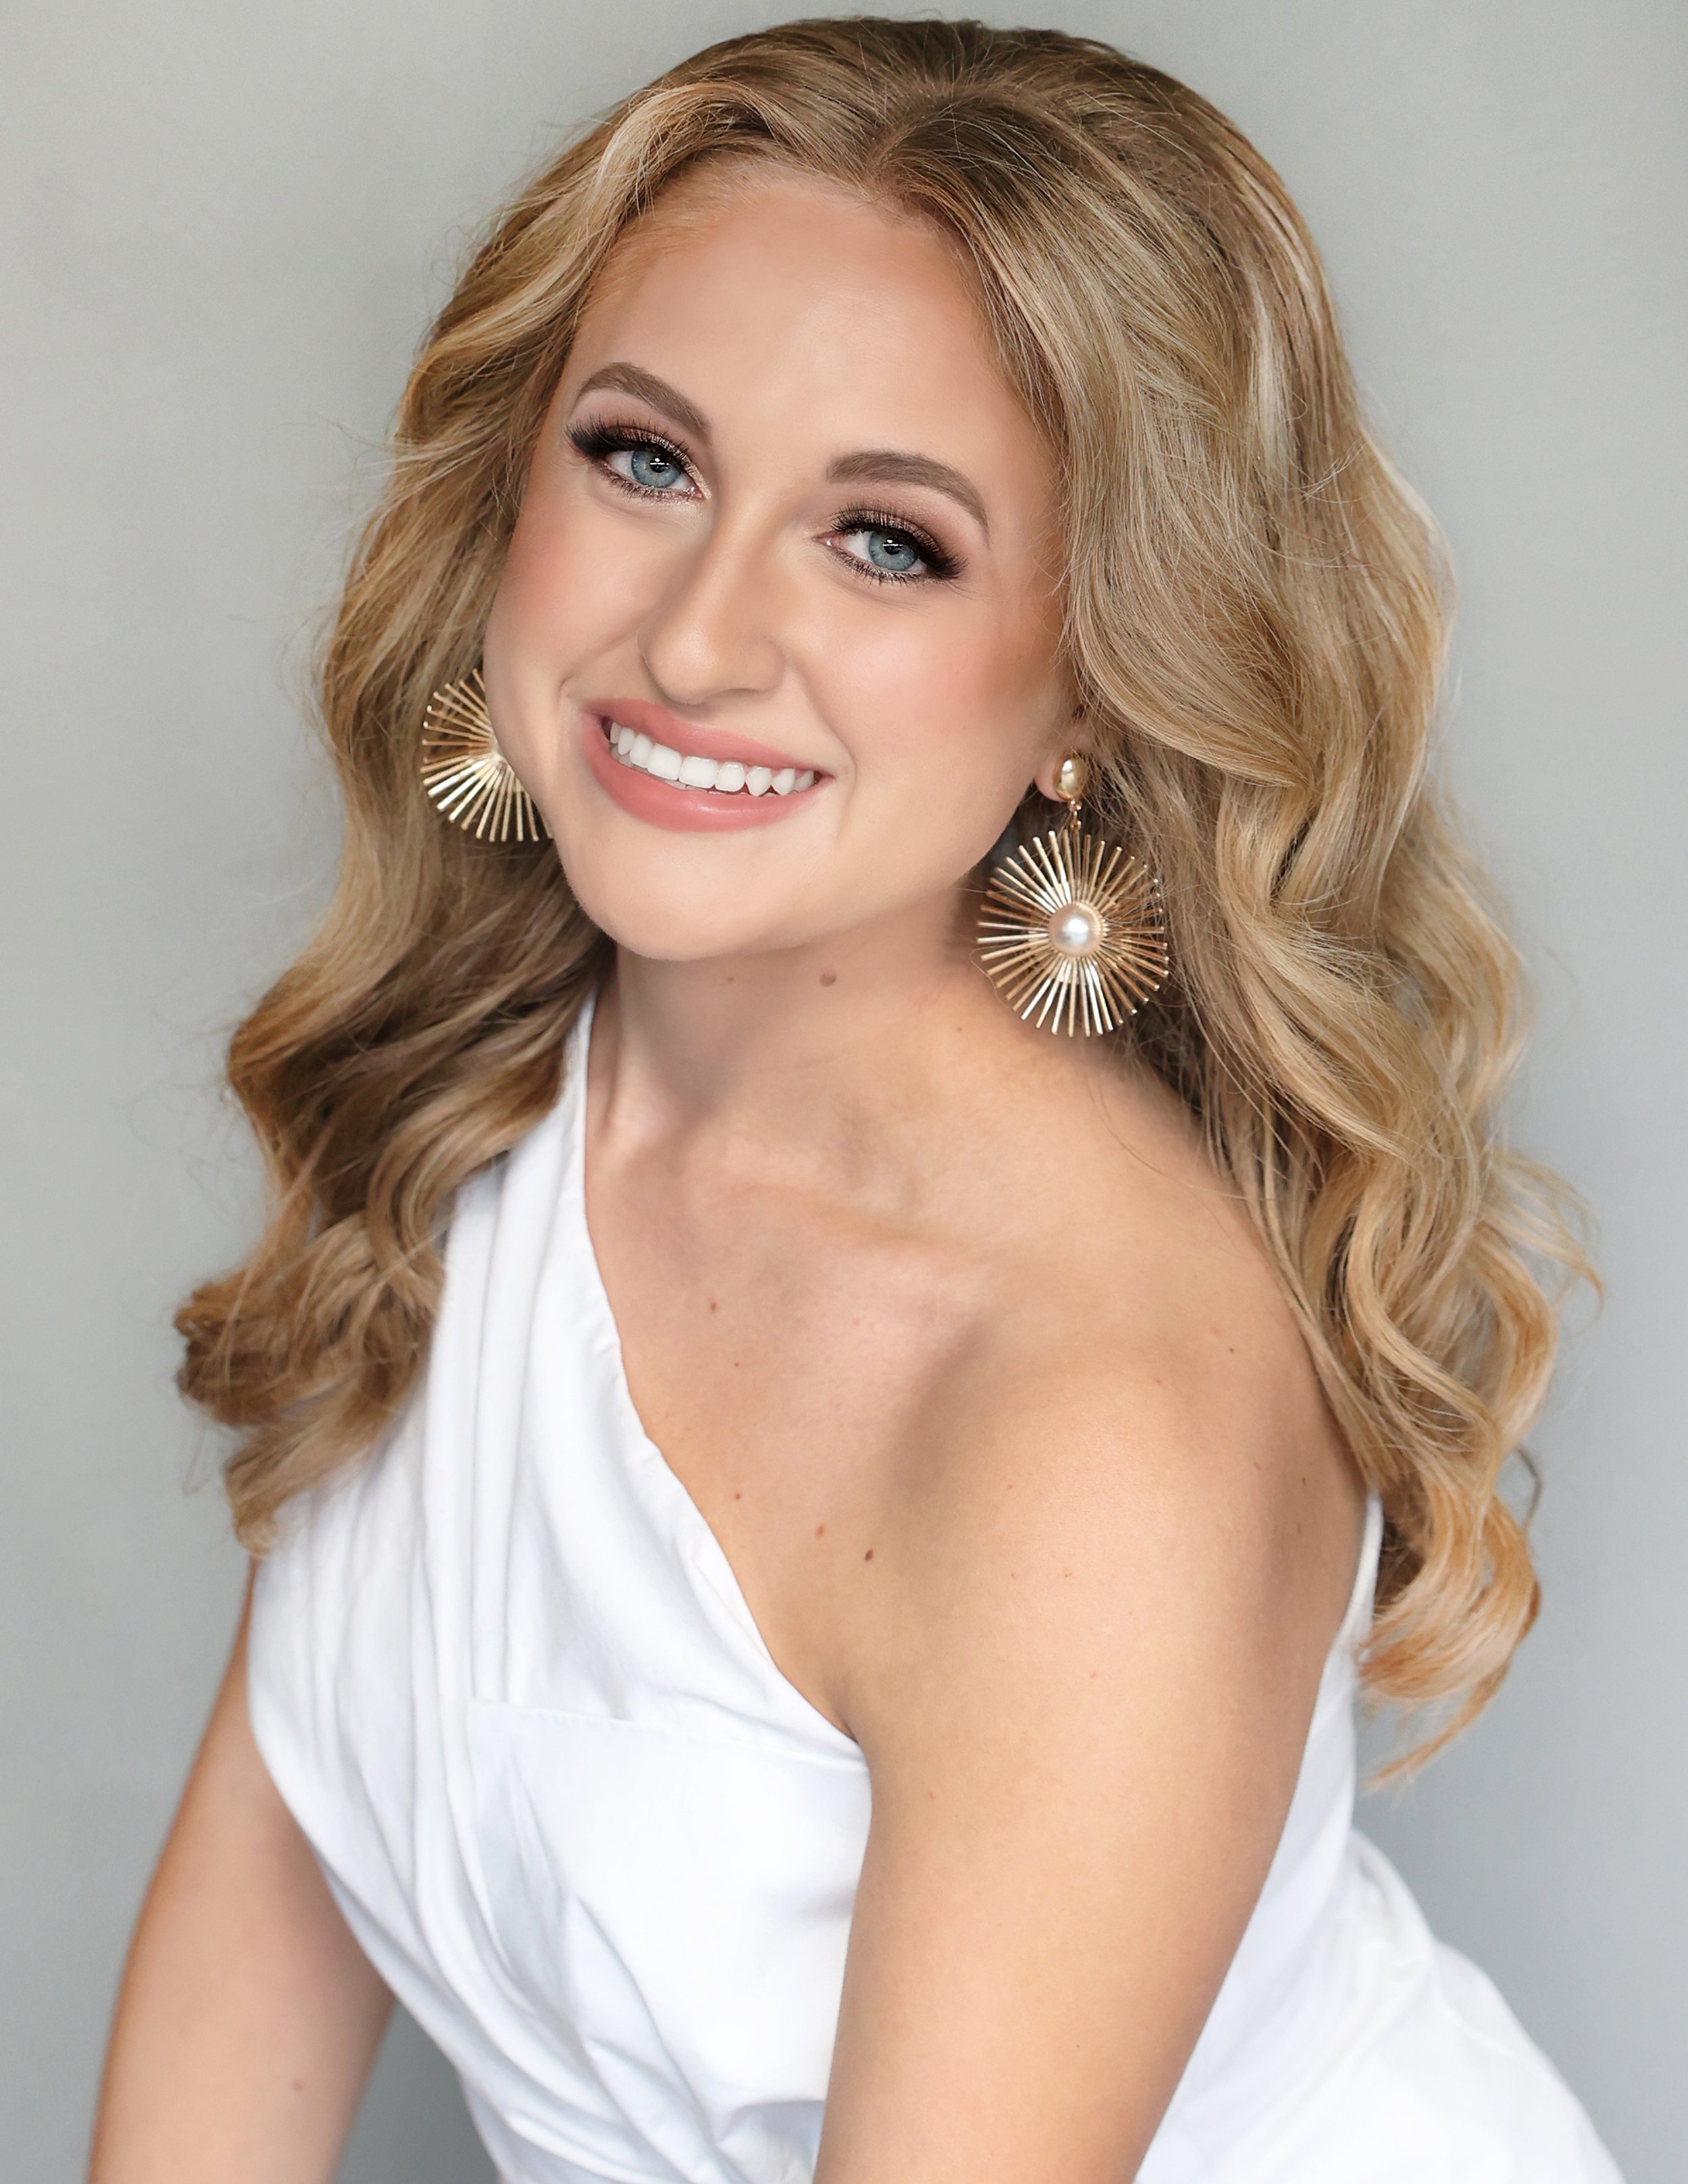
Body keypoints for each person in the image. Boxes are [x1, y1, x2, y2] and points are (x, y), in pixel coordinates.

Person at [89, 19, 1623, 2183]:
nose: (700, 638)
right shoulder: (489, 1106)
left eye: (886, 543)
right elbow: (254, 1949)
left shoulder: (1098, 1413)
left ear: (1096, 675)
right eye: (643, 459)